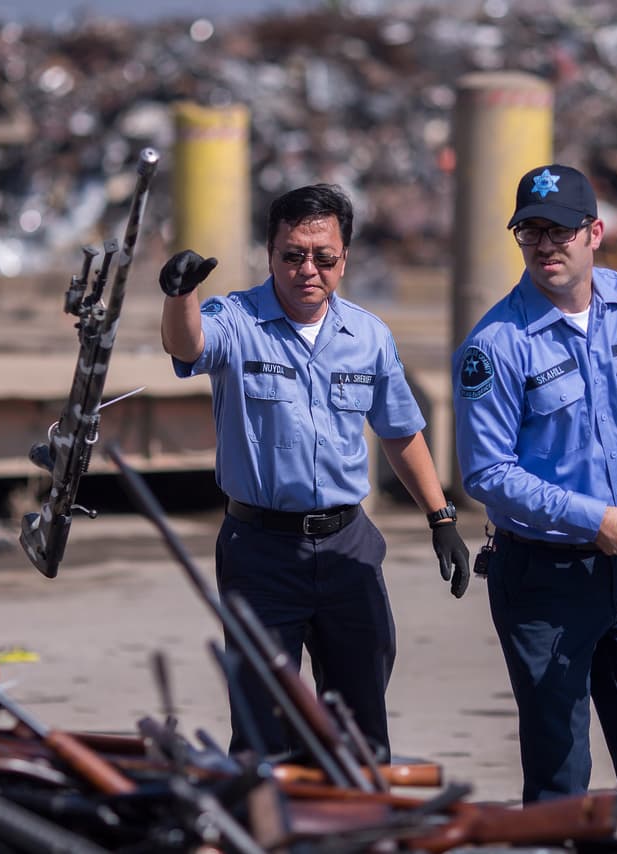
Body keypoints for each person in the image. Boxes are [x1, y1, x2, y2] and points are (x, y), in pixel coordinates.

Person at [452, 164, 617, 836]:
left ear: (595, 232)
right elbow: (487, 472)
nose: (546, 245)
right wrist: (588, 517)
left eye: (561, 230)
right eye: (530, 232)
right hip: (543, 574)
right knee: (558, 760)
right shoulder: (495, 344)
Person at [159, 183, 469, 762]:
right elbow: (190, 344)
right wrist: (181, 296)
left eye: (324, 257)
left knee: (359, 726)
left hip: (349, 547)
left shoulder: (369, 336)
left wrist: (441, 518)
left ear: (344, 258)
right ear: (270, 253)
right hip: (261, 552)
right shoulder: (235, 317)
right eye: (293, 254)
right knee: (262, 730)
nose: (308, 269)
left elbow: (400, 430)